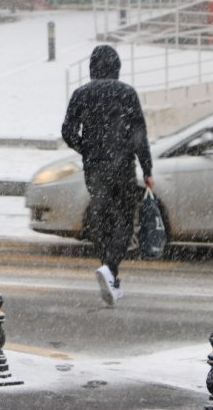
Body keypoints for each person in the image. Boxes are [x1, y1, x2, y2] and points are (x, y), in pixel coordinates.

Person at [61, 45, 154, 307]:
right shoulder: (127, 93)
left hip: (95, 168)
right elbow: (139, 135)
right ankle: (111, 269)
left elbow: (67, 131)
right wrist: (147, 170)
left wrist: (86, 149)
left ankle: (110, 274)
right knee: (125, 220)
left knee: (101, 220)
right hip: (122, 166)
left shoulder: (81, 94)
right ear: (116, 67)